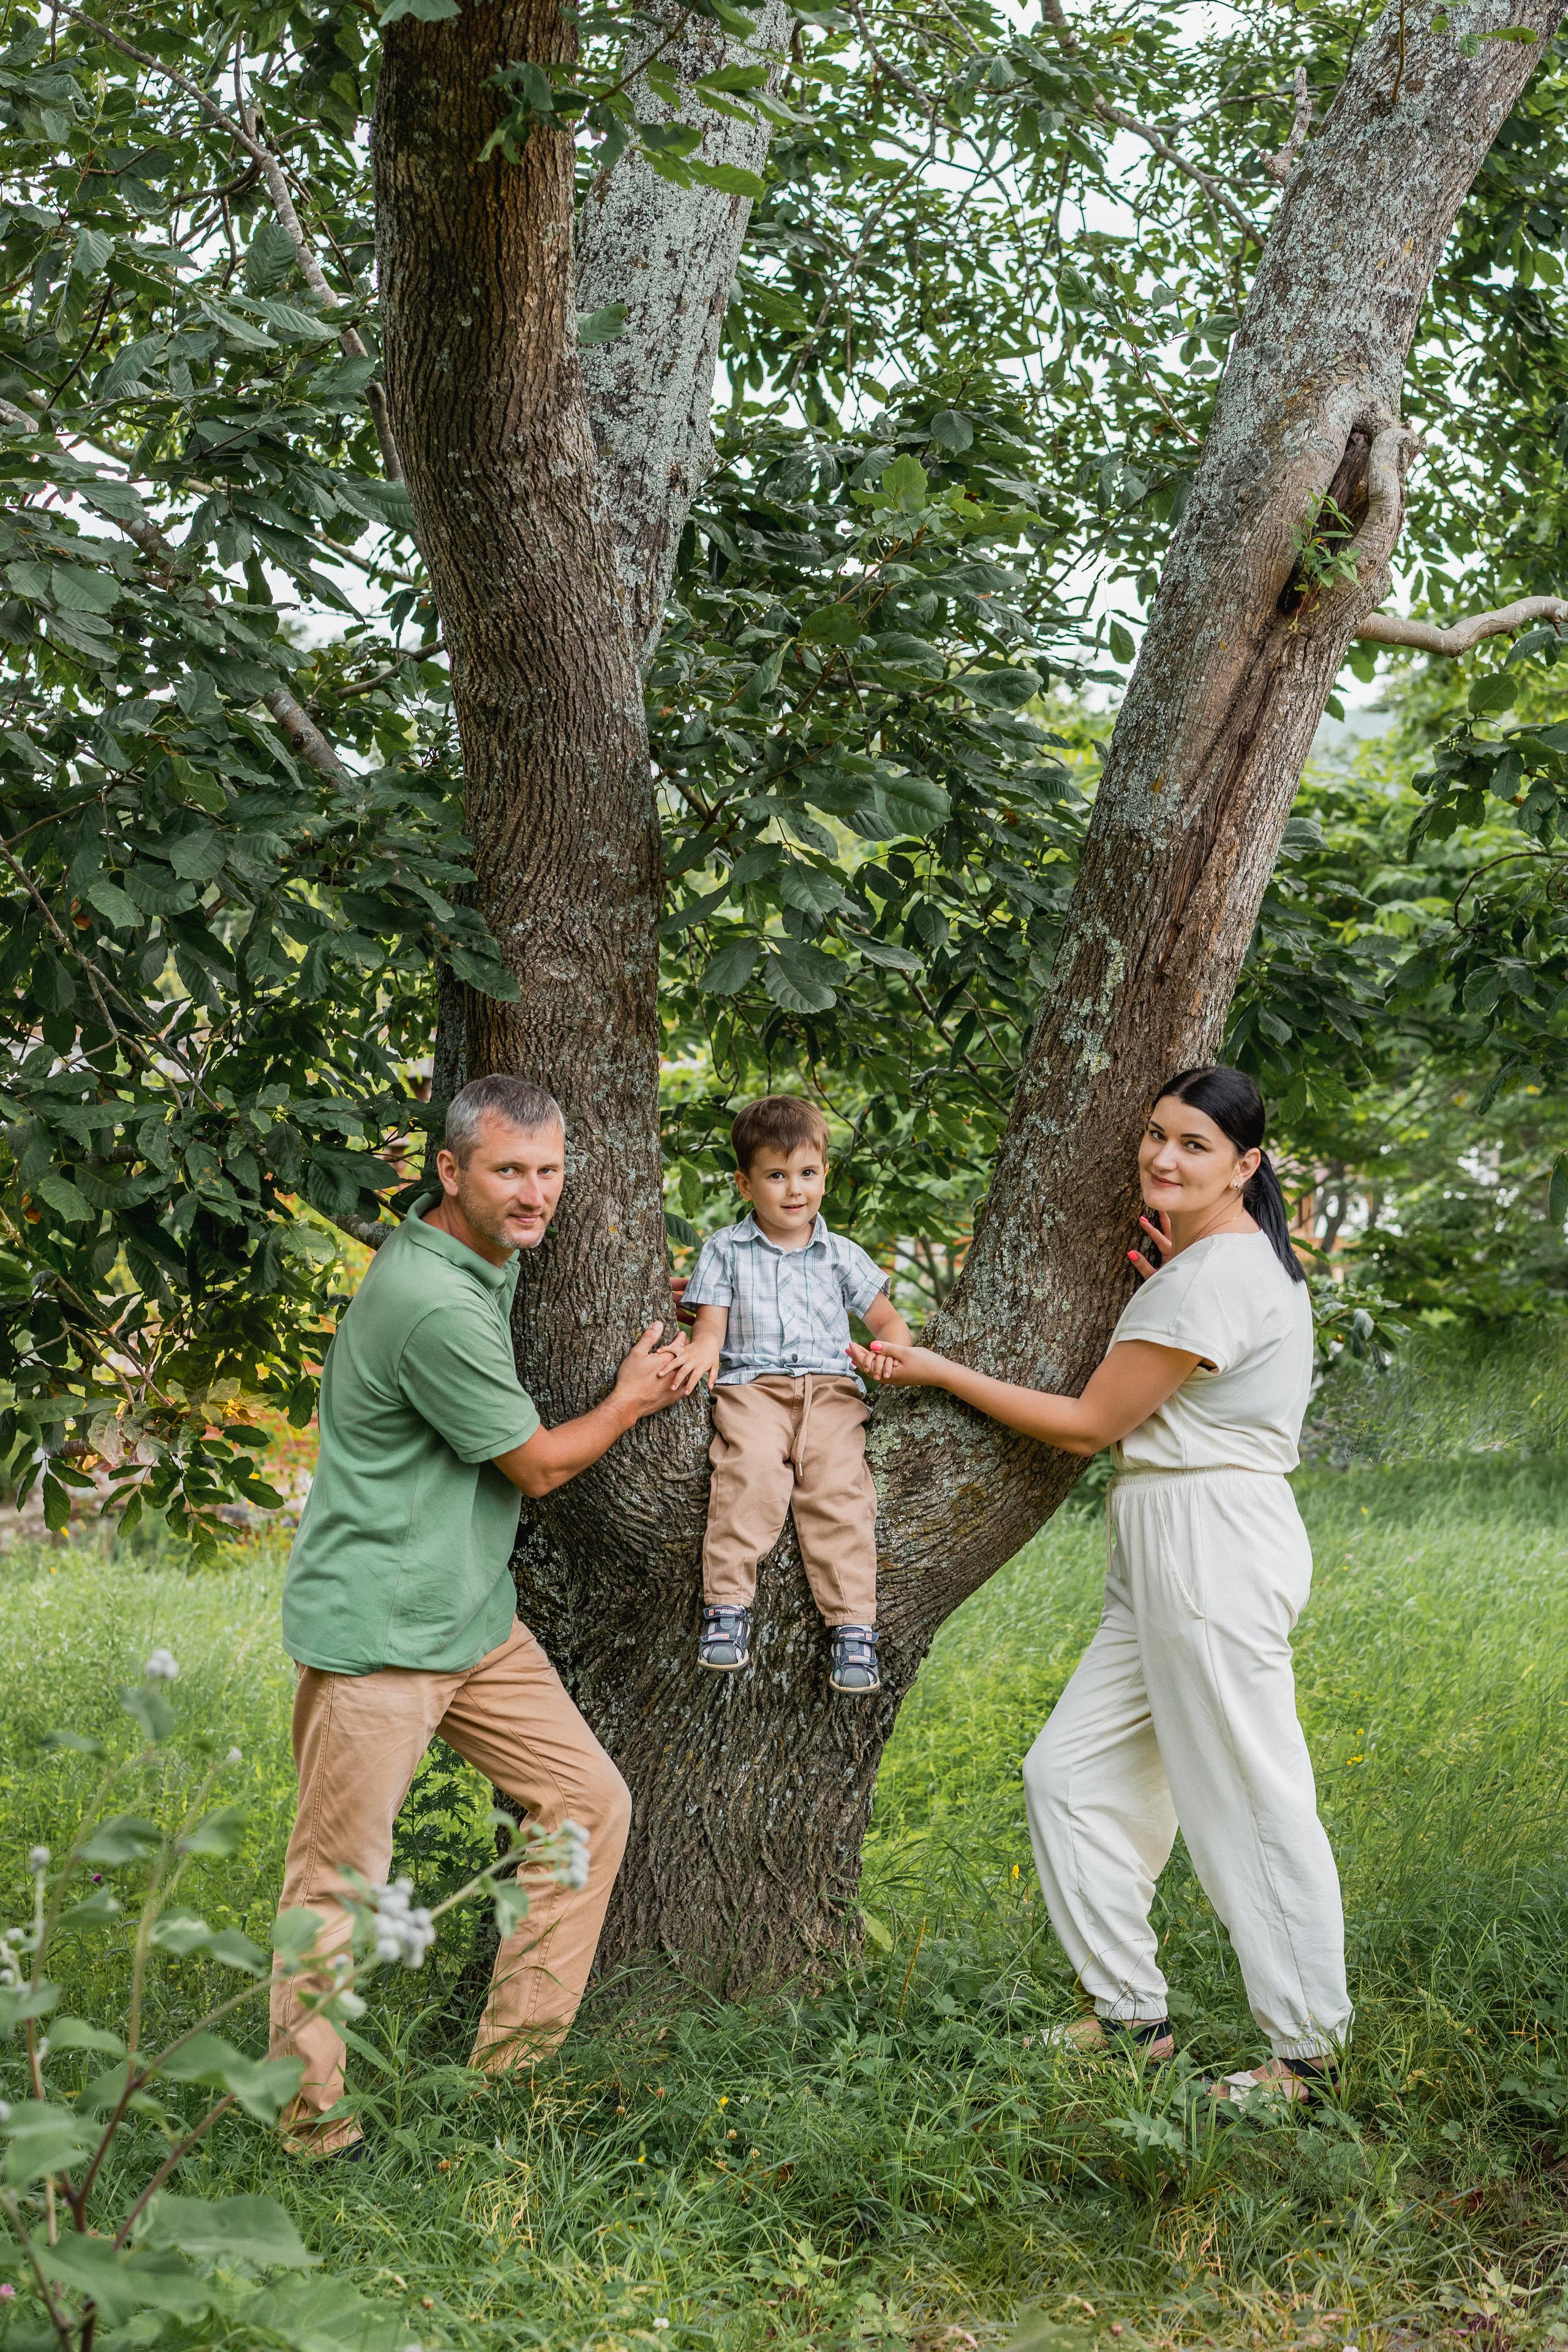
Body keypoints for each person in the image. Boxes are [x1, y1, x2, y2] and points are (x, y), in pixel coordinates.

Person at [850, 1065, 1352, 2103]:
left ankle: (1307, 2055)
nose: (1164, 1156)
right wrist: (1172, 1273)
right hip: (1170, 1534)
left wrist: (937, 1369)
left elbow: (1087, 1425)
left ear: (1245, 1166)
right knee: (1070, 1777)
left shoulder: (1215, 1276)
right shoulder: (1212, 1263)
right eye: (1157, 1134)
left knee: (1248, 1795)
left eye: (1195, 1145)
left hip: (1210, 1542)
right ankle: (1130, 2017)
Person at [270, 1074, 687, 2158]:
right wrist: (631, 1400)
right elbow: (538, 1466)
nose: (534, 1193)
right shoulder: (433, 1302)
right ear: (450, 1172)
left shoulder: (478, 1259)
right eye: (509, 1171)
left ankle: (508, 2082)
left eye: (549, 1171)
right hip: (380, 1632)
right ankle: (312, 2128)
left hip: (468, 1617)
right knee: (337, 1886)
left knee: (586, 1805)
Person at [668, 1095, 911, 1695]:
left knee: (839, 1493)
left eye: (806, 1172)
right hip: (753, 1388)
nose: (794, 1189)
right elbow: (711, 1328)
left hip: (831, 1392)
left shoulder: (840, 1254)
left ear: (825, 1174)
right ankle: (727, 1608)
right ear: (745, 1184)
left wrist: (889, 1353)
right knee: (747, 1474)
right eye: (776, 1176)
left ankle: (853, 1627)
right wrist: (701, 1350)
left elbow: (886, 1320)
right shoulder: (725, 1250)